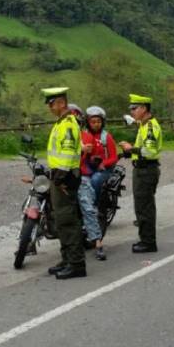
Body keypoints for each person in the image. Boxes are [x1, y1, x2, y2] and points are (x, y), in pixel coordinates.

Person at [42, 87, 85, 279]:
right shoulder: (60, 123)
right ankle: (67, 258)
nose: (50, 108)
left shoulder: (68, 124)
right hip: (59, 177)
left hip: (65, 178)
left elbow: (67, 154)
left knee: (68, 221)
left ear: (61, 103)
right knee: (60, 220)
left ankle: (76, 264)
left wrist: (59, 178)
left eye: (52, 104)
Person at [119, 93, 162, 253]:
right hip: (142, 169)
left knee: (145, 208)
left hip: (146, 170)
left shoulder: (150, 126)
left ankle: (148, 242)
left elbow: (149, 151)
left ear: (144, 108)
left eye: (134, 108)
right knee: (141, 207)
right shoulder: (143, 125)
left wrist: (132, 149)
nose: (132, 111)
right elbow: (141, 150)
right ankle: (145, 239)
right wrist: (127, 152)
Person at [81, 106, 118, 260]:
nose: (95, 124)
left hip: (104, 169)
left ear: (102, 122)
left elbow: (114, 156)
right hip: (89, 166)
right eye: (93, 121)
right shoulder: (84, 136)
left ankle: (93, 204)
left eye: (98, 121)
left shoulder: (106, 137)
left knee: (95, 180)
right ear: (88, 122)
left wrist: (104, 163)